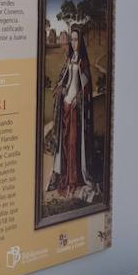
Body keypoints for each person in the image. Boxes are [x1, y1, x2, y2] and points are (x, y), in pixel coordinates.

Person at [46, 29, 101, 201]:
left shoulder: (83, 62)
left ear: (81, 41)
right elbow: (65, 80)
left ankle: (75, 180)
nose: (74, 43)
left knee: (73, 144)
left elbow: (85, 88)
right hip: (66, 105)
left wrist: (79, 99)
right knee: (65, 145)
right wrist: (61, 89)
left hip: (76, 108)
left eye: (76, 39)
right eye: (72, 40)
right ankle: (65, 179)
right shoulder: (69, 58)